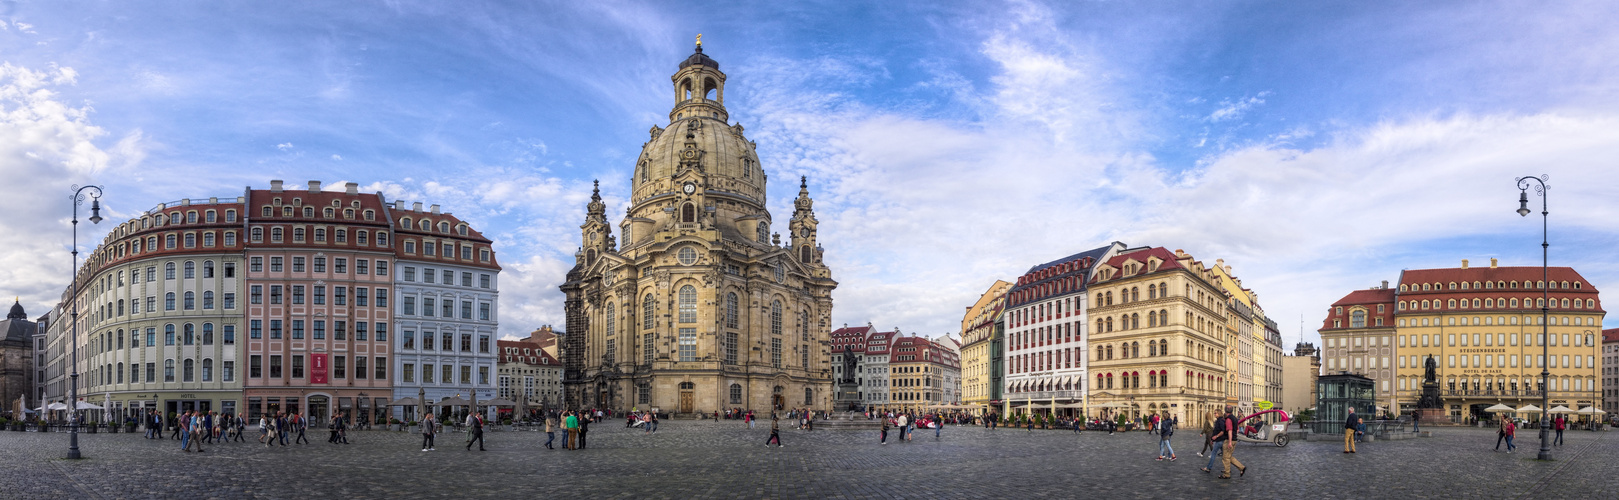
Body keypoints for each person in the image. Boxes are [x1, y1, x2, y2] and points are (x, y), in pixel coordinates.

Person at [1214, 406, 1245, 479]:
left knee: (1225, 458)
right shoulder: (1234, 418)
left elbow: (1230, 431)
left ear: (1225, 411)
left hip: (1229, 439)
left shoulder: (1228, 419)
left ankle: (1227, 474)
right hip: (1234, 439)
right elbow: (1237, 430)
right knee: (1229, 457)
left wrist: (1229, 442)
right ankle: (1242, 468)